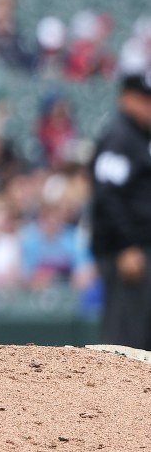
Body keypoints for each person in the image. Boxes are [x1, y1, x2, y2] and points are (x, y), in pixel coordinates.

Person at [90, 69, 151, 349]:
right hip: (127, 253)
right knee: (127, 340)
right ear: (126, 99)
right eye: (144, 99)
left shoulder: (139, 136)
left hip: (139, 249)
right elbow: (107, 196)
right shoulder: (121, 137)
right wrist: (126, 245)